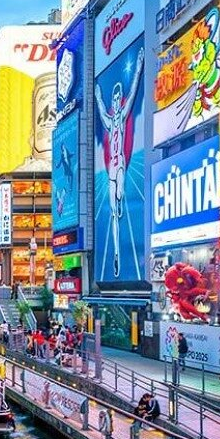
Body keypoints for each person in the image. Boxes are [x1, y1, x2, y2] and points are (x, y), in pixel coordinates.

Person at [94, 47, 144, 277]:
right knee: (113, 212)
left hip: (120, 162)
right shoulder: (109, 119)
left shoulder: (121, 117)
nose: (115, 101)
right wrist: (96, 96)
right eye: (113, 99)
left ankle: (120, 201)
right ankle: (115, 253)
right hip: (111, 167)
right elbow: (101, 109)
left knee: (120, 197)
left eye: (116, 98)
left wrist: (140, 66)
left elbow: (133, 92)